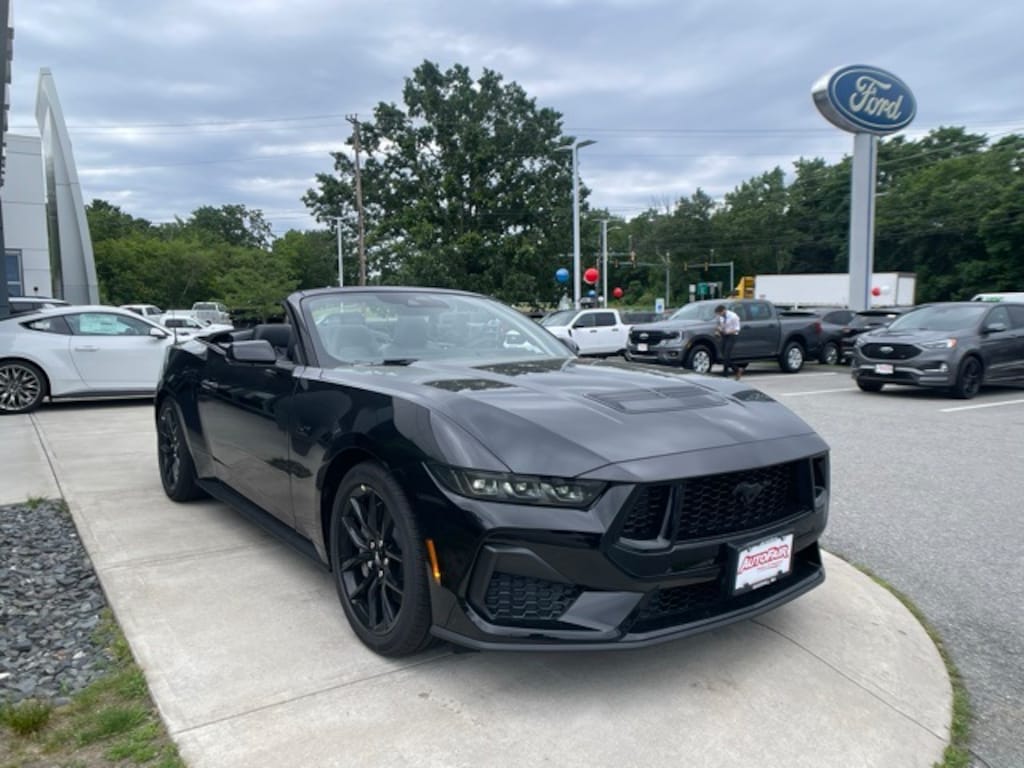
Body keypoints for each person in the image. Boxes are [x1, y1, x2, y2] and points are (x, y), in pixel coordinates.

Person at [714, 304, 743, 379]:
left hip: (732, 335)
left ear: (723, 311)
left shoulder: (733, 316)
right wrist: (718, 330)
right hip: (724, 335)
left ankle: (725, 375)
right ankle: (737, 370)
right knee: (724, 355)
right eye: (718, 314)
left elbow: (737, 329)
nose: (719, 315)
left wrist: (729, 332)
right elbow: (721, 325)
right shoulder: (721, 317)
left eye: (719, 313)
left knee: (726, 354)